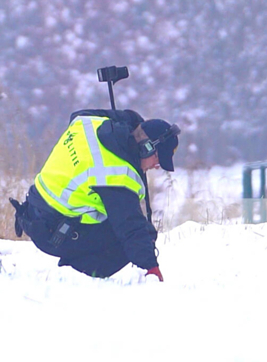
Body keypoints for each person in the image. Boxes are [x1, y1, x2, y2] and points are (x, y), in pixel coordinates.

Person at [10, 109, 179, 280]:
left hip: (34, 210)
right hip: (54, 233)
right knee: (144, 233)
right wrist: (151, 267)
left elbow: (80, 114)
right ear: (146, 148)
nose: (157, 166)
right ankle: (80, 273)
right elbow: (132, 228)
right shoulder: (116, 175)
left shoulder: (88, 122)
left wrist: (133, 119)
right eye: (158, 159)